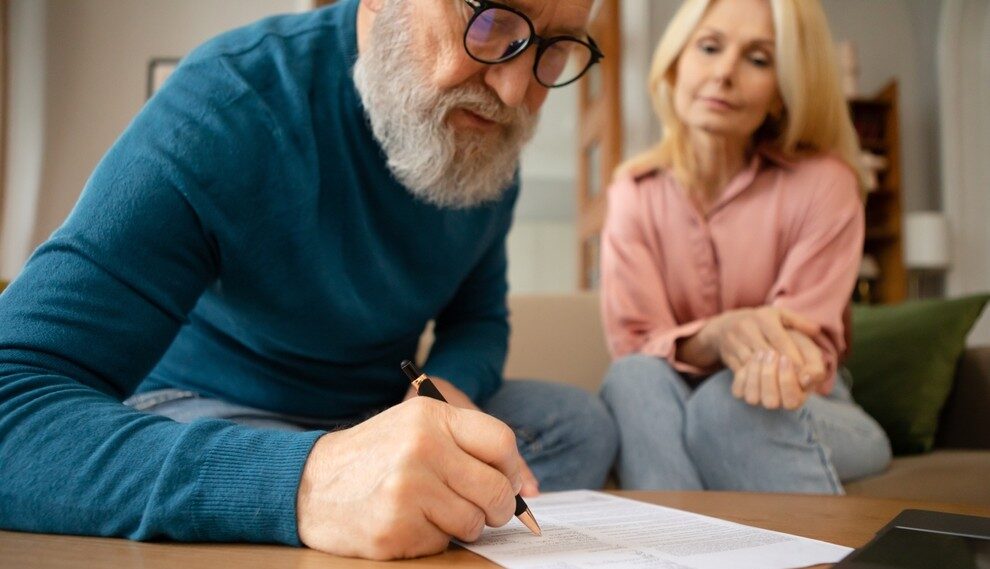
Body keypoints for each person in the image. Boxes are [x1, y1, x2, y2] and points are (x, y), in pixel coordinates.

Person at [0, 0, 618, 560]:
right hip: (217, 410)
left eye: (556, 48)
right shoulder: (228, 102)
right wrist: (305, 481)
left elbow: (478, 316)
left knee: (577, 423)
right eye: (489, 22)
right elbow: (11, 400)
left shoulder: (485, 140)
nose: (513, 91)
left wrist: (447, 384)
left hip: (374, 411)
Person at [598, 0, 891, 494]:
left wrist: (771, 357)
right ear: (675, 64)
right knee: (631, 379)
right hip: (671, 398)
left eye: (758, 60)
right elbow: (635, 343)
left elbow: (801, 344)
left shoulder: (825, 184)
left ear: (782, 92)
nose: (724, 73)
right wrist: (717, 335)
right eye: (709, 47)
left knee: (727, 406)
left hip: (806, 402)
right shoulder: (635, 191)